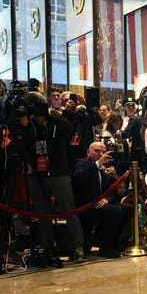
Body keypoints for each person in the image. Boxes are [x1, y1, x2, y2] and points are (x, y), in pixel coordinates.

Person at [23, 101, 86, 265]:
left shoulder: (57, 124)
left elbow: (70, 130)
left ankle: (78, 247)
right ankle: (48, 249)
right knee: (43, 214)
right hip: (36, 173)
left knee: (69, 210)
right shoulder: (29, 126)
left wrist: (58, 116)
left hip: (58, 172)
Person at [70, 142, 130, 258]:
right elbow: (77, 178)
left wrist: (107, 200)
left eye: (103, 152)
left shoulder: (101, 171)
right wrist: (97, 164)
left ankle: (114, 242)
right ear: (88, 152)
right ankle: (105, 247)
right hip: (86, 206)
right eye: (97, 151)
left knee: (128, 208)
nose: (101, 154)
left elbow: (111, 192)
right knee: (115, 211)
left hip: (101, 205)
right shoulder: (81, 163)